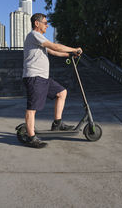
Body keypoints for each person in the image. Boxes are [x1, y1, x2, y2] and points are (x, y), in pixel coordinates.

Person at [22, 13, 83, 148]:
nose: (47, 25)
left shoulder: (40, 39)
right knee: (32, 108)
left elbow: (54, 52)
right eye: (45, 22)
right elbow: (55, 46)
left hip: (44, 78)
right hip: (34, 77)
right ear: (36, 23)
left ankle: (57, 123)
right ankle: (31, 138)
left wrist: (70, 54)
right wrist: (74, 49)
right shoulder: (34, 35)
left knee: (62, 92)